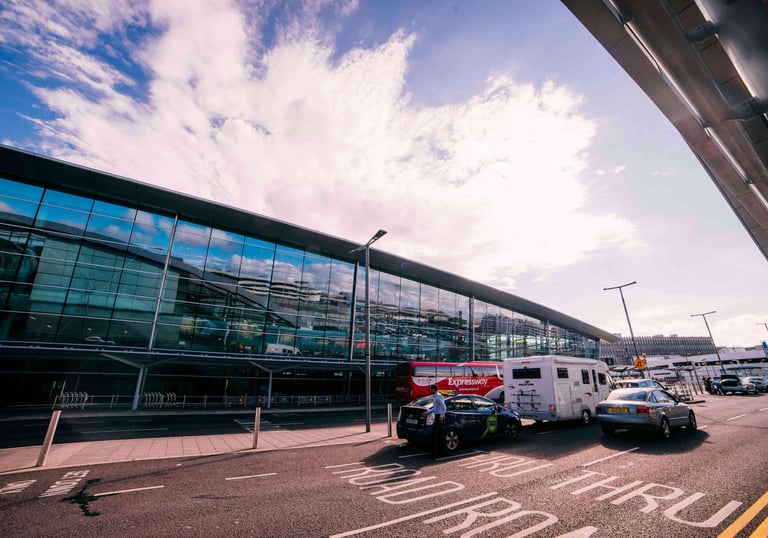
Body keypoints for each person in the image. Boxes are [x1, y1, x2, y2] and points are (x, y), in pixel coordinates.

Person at [429, 384, 446, 458]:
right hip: (437, 417)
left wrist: (442, 416)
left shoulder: (439, 396)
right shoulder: (435, 397)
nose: (430, 390)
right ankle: (439, 452)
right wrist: (427, 412)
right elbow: (434, 408)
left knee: (438, 435)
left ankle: (439, 453)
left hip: (439, 417)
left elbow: (444, 407)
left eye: (431, 389)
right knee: (438, 435)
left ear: (433, 389)